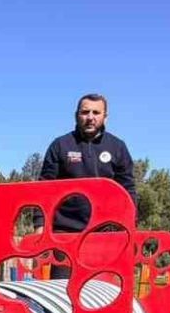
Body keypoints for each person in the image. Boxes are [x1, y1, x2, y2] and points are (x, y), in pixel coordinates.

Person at [39, 93, 137, 239]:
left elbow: (127, 190)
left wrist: (130, 225)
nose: (90, 117)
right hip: (64, 233)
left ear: (105, 117)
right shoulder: (60, 145)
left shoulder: (118, 147)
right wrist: (40, 225)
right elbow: (44, 189)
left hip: (106, 233)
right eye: (85, 112)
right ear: (76, 116)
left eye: (96, 112)